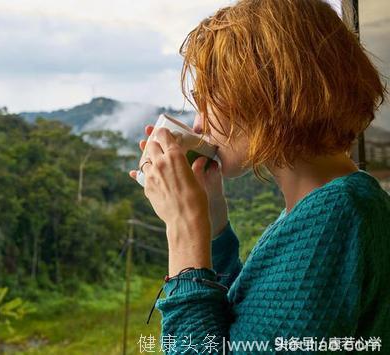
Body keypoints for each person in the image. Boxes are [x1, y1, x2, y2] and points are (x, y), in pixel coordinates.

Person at [128, 0, 389, 353]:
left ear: (263, 94)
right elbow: (251, 326)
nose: (200, 124)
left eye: (208, 101)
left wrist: (184, 233)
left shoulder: (336, 216)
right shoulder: (329, 205)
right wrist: (213, 225)